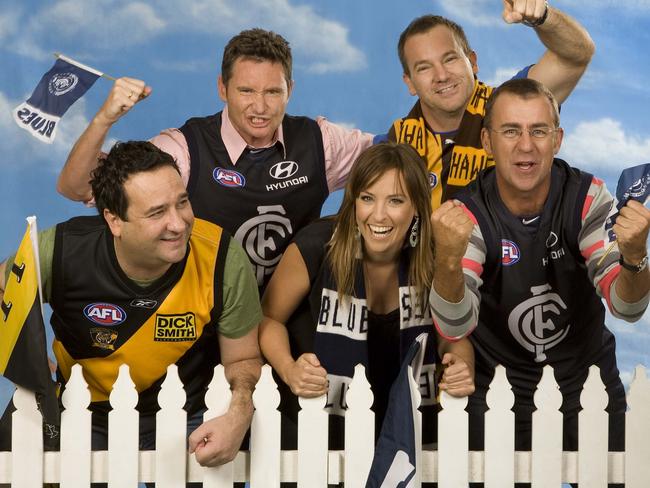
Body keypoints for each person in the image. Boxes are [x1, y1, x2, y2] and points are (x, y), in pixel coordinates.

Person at [431, 78, 650, 487]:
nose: (526, 145)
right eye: (511, 131)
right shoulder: (466, 213)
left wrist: (636, 258)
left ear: (558, 139)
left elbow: (627, 307)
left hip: (586, 387)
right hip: (495, 391)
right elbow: (454, 324)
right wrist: (445, 257)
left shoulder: (588, 198)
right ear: (487, 142)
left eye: (539, 130)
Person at [0, 141, 263, 472]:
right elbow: (2, 289)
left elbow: (243, 358)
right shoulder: (62, 250)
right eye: (157, 212)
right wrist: (26, 356)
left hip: (190, 411)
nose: (179, 224)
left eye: (182, 203)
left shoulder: (221, 256)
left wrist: (239, 412)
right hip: (83, 410)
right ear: (114, 221)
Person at [56, 28, 373, 290]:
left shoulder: (320, 140)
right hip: (205, 317)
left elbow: (400, 155)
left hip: (295, 317)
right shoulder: (183, 149)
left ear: (290, 89)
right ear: (223, 88)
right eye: (246, 91)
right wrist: (104, 119)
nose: (259, 107)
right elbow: (78, 188)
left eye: (273, 92)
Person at [259, 143, 476, 452]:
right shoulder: (317, 245)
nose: (379, 215)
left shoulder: (433, 254)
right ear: (354, 201)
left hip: (407, 433)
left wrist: (460, 366)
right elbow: (268, 319)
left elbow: (451, 335)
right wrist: (290, 369)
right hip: (316, 432)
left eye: (395, 201)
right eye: (367, 198)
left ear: (416, 205)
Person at [387, 1, 595, 209]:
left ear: (473, 62)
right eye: (424, 68)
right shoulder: (394, 143)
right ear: (410, 82)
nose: (441, 76)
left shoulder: (513, 105)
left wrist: (543, 16)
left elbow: (576, 55)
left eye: (450, 59)